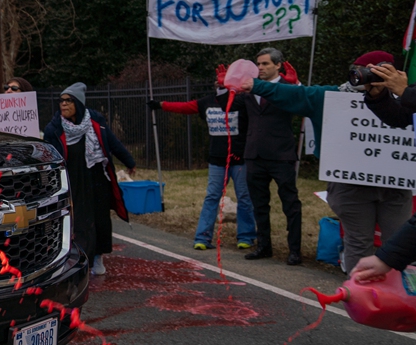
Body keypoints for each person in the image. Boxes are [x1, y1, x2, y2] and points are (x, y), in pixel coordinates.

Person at [237, 50, 410, 274]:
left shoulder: (406, 98)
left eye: (380, 71)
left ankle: (399, 300)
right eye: (365, 71)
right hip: (350, 186)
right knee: (358, 243)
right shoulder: (330, 96)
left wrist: (403, 92)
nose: (371, 77)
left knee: (400, 246)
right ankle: (361, 299)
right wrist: (256, 85)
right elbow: (294, 95)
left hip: (395, 186)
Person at [148, 65, 255, 251]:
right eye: (218, 80)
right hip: (216, 159)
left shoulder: (243, 101)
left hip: (239, 160)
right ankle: (202, 238)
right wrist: (161, 105)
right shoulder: (207, 102)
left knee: (244, 197)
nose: (218, 83)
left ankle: (246, 237)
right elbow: (184, 107)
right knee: (212, 197)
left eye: (224, 80)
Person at [43, 82, 136, 275]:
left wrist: (129, 161)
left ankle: (98, 256)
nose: (64, 105)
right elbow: (48, 155)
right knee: (80, 220)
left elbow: (112, 142)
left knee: (101, 218)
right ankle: (80, 259)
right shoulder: (54, 128)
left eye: (68, 101)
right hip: (73, 180)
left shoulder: (95, 121)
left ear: (78, 103)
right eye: (61, 101)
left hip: (96, 177)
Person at [239, 48, 303, 265]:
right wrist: (224, 88)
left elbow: (302, 103)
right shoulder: (249, 89)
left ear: (278, 65)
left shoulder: (287, 88)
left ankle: (295, 250)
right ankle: (264, 246)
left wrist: (296, 87)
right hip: (254, 154)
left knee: (290, 204)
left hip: (281, 155)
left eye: (265, 64)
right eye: (258, 64)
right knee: (259, 204)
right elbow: (228, 107)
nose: (260, 68)